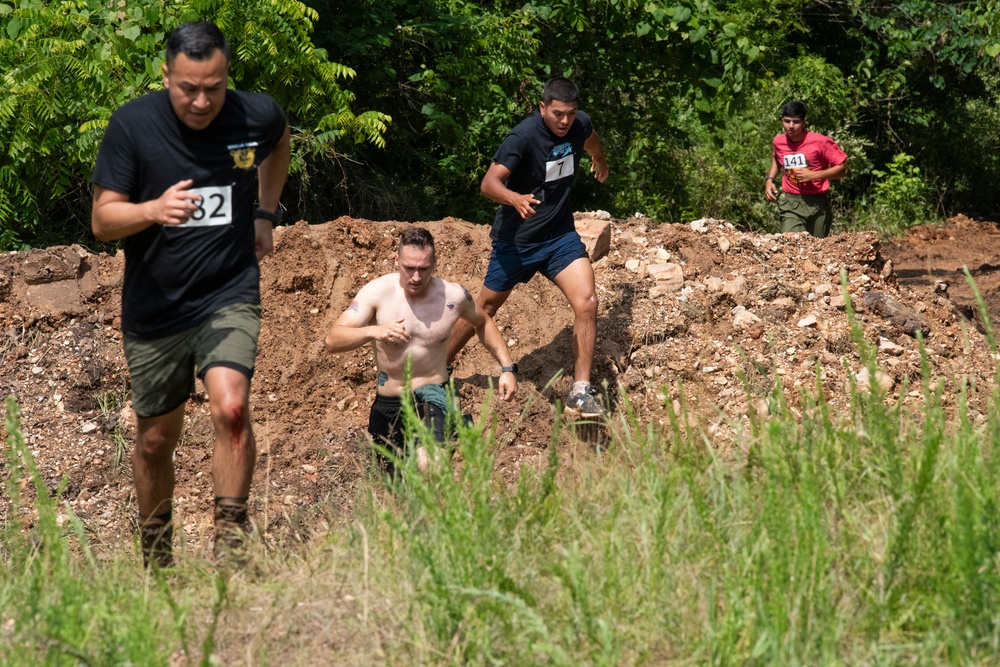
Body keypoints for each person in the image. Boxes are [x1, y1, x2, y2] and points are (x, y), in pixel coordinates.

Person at [90, 21, 291, 568]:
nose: (202, 101)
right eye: (188, 88)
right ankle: (158, 557)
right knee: (156, 441)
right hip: (157, 304)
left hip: (228, 289)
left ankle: (230, 546)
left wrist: (266, 214)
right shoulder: (133, 126)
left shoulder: (254, 114)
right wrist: (152, 211)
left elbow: (279, 141)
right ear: (166, 75)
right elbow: (103, 220)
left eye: (214, 86)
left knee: (231, 409)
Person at [445, 77, 609, 417]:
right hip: (517, 242)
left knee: (588, 302)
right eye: (558, 114)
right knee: (484, 309)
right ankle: (438, 368)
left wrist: (600, 161)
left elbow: (591, 141)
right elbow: (488, 183)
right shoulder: (523, 136)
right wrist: (513, 197)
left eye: (571, 113)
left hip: (560, 237)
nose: (565, 121)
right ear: (542, 107)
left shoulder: (580, 124)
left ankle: (579, 390)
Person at [324, 227, 517, 475]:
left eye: (423, 269)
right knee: (395, 487)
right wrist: (375, 331)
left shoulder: (453, 296)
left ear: (434, 263)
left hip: (434, 394)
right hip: (389, 402)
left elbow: (483, 322)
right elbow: (333, 339)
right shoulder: (377, 292)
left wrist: (507, 368)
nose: (415, 277)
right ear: (397, 261)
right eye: (408, 268)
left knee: (429, 466)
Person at [765, 100, 848, 238]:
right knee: (791, 244)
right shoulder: (778, 142)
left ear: (804, 122)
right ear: (782, 121)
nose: (791, 126)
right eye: (787, 121)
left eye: (796, 122)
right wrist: (769, 179)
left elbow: (843, 170)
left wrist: (814, 175)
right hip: (791, 203)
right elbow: (776, 157)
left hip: (817, 203)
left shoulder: (820, 142)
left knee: (816, 249)